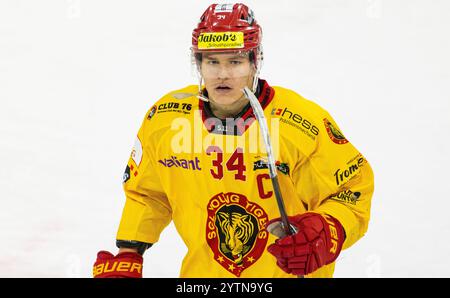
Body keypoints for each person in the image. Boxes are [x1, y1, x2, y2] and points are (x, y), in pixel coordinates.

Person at [93, 3, 374, 278]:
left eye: (235, 61)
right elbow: (148, 193)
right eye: (212, 61)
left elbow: (351, 191)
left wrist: (329, 229)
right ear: (198, 63)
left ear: (255, 62)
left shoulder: (300, 123)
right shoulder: (166, 120)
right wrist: (129, 252)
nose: (223, 74)